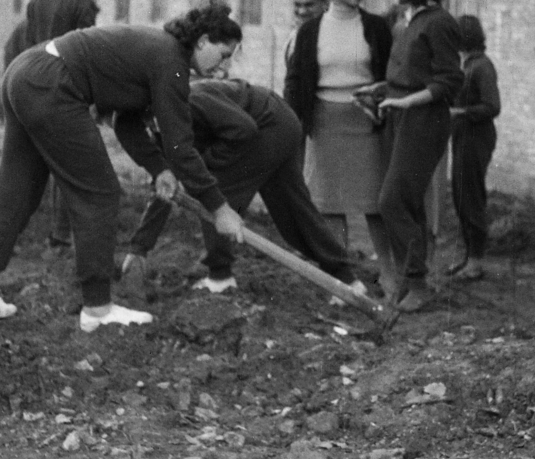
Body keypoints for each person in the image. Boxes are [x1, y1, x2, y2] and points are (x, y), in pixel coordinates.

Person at [0, 4, 245, 332]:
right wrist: (219, 208)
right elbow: (181, 148)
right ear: (203, 41)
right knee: (100, 193)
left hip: (26, 73)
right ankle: (97, 308)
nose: (224, 67)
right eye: (223, 55)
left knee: (17, 189)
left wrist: (158, 169)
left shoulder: (160, 50)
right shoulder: (172, 62)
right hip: (52, 83)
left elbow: (127, 122)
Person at [121, 76, 369, 298]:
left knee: (214, 192)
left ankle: (220, 277)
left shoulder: (188, 101)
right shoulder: (163, 123)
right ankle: (347, 279)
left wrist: (206, 164)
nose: (150, 129)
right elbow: (166, 184)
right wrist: (139, 247)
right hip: (277, 121)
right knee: (294, 210)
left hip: (268, 123)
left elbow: (244, 129)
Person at [283, 0, 395, 287]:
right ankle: (340, 277)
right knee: (331, 203)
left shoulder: (376, 27)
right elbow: (296, 82)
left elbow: (392, 73)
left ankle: (389, 274)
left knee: (374, 202)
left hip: (366, 121)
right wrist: (293, 124)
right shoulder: (310, 31)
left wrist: (380, 94)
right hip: (325, 120)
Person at [376, 0, 464, 312]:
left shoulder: (439, 22)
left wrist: (406, 102)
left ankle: (418, 281)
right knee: (404, 200)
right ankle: (408, 279)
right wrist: (380, 90)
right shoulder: (407, 20)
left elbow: (449, 81)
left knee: (393, 200)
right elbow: (408, 74)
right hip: (398, 114)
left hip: (423, 120)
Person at [11, 0, 100, 244]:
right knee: (72, 162)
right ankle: (63, 233)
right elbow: (85, 52)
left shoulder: (36, 0)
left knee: (38, 158)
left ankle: (19, 224)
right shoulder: (83, 4)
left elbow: (30, 44)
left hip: (35, 83)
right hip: (69, 87)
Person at [448, 14, 502, 280]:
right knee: (460, 195)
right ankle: (469, 257)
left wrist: (461, 113)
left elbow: (493, 106)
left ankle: (476, 260)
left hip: (476, 136)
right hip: (463, 135)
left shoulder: (482, 67)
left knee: (470, 196)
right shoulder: (468, 63)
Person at [284, 0, 326, 74]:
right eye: (297, 5)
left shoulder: (333, 39)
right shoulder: (292, 40)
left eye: (309, 5)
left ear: (325, 2)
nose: (302, 12)